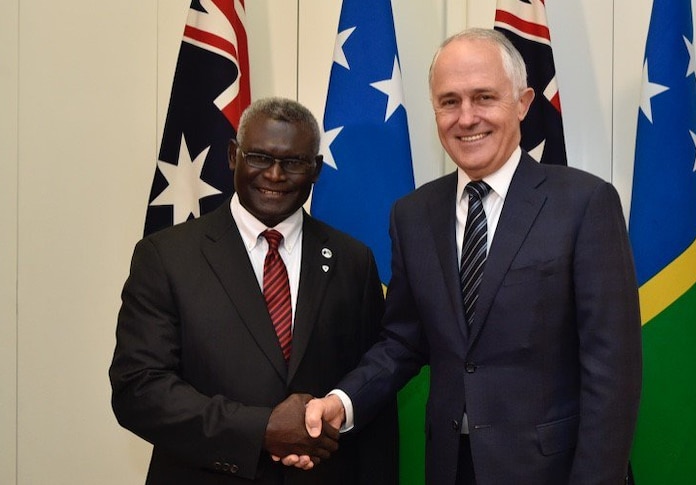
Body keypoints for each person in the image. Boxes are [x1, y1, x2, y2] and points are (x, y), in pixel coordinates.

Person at [296, 28, 643, 484]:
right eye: (449, 101)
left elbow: (612, 370)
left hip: (553, 470)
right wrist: (342, 401)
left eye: (484, 97)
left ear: (522, 102)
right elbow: (403, 340)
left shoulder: (584, 204)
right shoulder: (413, 215)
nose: (466, 117)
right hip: (450, 467)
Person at [109, 97, 398, 485]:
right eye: (260, 157)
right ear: (233, 156)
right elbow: (139, 390)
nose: (275, 175)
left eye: (293, 162)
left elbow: (372, 391)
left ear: (314, 170)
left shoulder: (353, 261)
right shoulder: (165, 257)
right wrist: (260, 429)